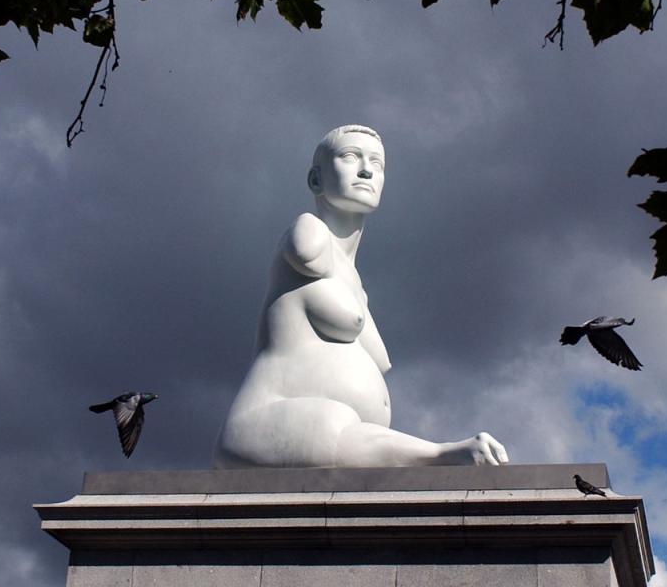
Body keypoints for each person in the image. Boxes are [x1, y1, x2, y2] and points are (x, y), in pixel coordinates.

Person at [214, 125, 508, 468]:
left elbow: (381, 361)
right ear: (315, 180)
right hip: (269, 426)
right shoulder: (309, 231)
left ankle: (438, 454)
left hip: (338, 444)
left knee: (338, 424)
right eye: (350, 157)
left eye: (377, 164)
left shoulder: (356, 287)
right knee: (332, 422)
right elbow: (305, 250)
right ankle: (439, 454)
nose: (367, 170)